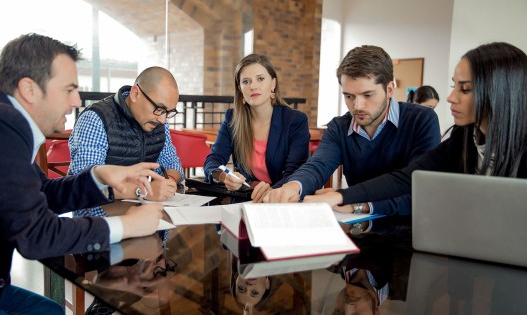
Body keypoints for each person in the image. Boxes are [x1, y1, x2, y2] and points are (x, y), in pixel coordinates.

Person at [0, 33, 165, 314]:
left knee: (51, 311)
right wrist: (129, 225)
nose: (77, 101)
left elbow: (41, 194)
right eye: (69, 89)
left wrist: (99, 178)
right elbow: (36, 234)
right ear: (30, 89)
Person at [303, 42, 527, 209]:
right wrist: (342, 196)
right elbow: (408, 177)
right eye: (454, 86)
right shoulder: (463, 138)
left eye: (465, 89)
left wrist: (350, 200)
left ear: (502, 94)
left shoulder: (422, 120)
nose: (450, 97)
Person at [264, 45, 441, 216]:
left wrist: (360, 206)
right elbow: (318, 165)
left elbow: (420, 191)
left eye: (367, 95)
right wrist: (293, 186)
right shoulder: (339, 127)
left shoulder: (421, 120)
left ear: (389, 89)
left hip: (410, 231)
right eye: (349, 96)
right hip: (360, 229)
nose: (357, 106)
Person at [69, 66, 184, 217]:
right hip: (97, 222)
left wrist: (168, 182)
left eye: (169, 112)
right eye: (159, 109)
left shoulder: (157, 121)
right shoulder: (96, 118)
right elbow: (86, 185)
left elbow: (172, 163)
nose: (163, 119)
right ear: (135, 94)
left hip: (142, 213)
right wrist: (144, 191)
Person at [203, 54, 310, 202]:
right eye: (246, 81)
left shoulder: (295, 120)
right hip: (245, 201)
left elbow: (296, 172)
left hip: (281, 201)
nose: (253, 86)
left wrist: (272, 190)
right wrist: (224, 176)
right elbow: (213, 161)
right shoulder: (232, 119)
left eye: (260, 79)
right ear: (240, 89)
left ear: (273, 84)